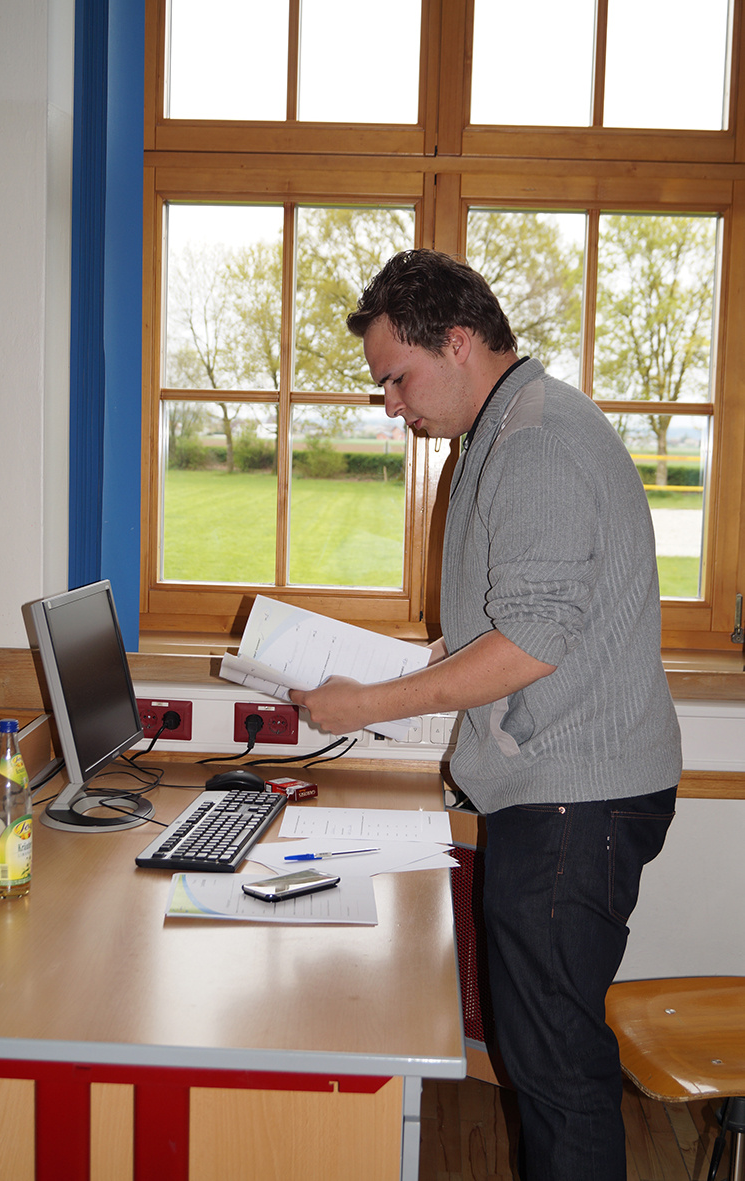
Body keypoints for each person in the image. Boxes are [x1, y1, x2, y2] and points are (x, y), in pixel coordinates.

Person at [290, 248, 682, 1181]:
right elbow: (510, 622)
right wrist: (423, 661)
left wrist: (365, 704)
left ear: (458, 342)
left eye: (397, 377)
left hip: (574, 802)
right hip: (561, 792)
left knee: (555, 1071)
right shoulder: (501, 430)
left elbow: (531, 644)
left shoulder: (535, 442)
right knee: (547, 1056)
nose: (391, 403)